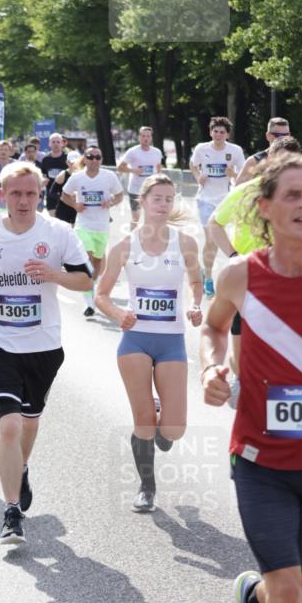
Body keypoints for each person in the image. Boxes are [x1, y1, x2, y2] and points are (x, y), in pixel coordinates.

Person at [200, 153, 302, 603]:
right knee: (293, 591)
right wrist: (217, 368)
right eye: (293, 194)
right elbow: (214, 330)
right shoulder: (241, 275)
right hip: (262, 463)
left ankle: (253, 595)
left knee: (283, 592)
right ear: (264, 208)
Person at [0, 163, 92, 544]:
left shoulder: (57, 233)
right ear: (2, 194)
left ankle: (22, 467)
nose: (23, 200)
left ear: (40, 194)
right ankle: (11, 511)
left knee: (30, 423)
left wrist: (53, 275)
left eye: (30, 193)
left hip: (44, 346)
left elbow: (85, 278)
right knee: (10, 425)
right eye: (15, 193)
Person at [95, 174, 203, 512]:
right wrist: (117, 313)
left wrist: (196, 305)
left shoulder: (185, 243)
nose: (164, 205)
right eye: (157, 198)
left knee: (174, 430)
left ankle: (161, 422)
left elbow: (197, 281)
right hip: (136, 341)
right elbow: (100, 294)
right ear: (142, 201)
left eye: (169, 199)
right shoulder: (125, 246)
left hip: (172, 342)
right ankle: (146, 486)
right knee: (143, 420)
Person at [208, 136, 301, 391]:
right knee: (241, 339)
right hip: (247, 276)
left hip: (287, 274)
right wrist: (232, 254)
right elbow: (214, 224)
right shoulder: (247, 191)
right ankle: (242, 377)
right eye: (279, 161)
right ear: (268, 160)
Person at [61, 146, 123, 316]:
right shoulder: (77, 177)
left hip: (102, 226)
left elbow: (119, 195)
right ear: (85, 159)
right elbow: (64, 194)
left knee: (97, 263)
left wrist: (110, 202)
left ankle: (91, 287)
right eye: (91, 157)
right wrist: (75, 205)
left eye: (98, 157)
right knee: (86, 258)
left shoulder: (109, 177)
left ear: (101, 159)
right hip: (83, 225)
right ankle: (89, 302)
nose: (94, 160)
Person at [190, 116, 245, 297]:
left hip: (226, 200)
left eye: (222, 132)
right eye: (215, 131)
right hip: (205, 199)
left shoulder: (235, 151)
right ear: (210, 132)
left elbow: (243, 177)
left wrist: (232, 174)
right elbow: (193, 164)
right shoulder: (201, 148)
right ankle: (208, 278)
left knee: (225, 238)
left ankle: (220, 271)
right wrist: (198, 177)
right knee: (211, 240)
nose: (218, 135)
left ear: (227, 134)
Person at [117, 127, 163, 230]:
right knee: (136, 217)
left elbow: (158, 168)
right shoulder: (132, 151)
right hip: (135, 189)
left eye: (148, 136)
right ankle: (132, 239)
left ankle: (149, 239)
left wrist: (161, 181)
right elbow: (120, 168)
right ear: (139, 137)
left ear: (151, 138)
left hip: (152, 189)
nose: (146, 138)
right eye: (143, 136)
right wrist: (133, 170)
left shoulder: (157, 152)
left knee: (152, 215)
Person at [235, 118, 290, 186]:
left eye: (286, 135)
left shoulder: (296, 160)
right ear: (268, 136)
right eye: (278, 135)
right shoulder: (254, 161)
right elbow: (238, 190)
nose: (283, 139)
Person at [40, 134, 68, 216]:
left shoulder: (67, 158)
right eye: (53, 142)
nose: (56, 144)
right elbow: (43, 173)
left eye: (58, 142)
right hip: (51, 194)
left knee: (65, 222)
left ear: (62, 144)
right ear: (49, 144)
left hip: (65, 194)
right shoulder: (46, 159)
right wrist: (43, 179)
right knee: (53, 220)